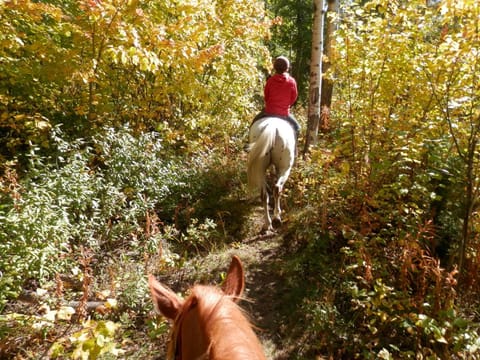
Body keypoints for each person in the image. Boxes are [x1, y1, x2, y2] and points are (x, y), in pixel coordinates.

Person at [252, 56, 300, 139]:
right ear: (287, 68)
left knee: (253, 123)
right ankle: (295, 149)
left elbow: (266, 96)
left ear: (274, 68)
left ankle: (248, 143)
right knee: (297, 128)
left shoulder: (270, 80)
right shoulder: (291, 81)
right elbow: (294, 97)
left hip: (269, 111)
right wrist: (286, 105)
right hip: (284, 113)